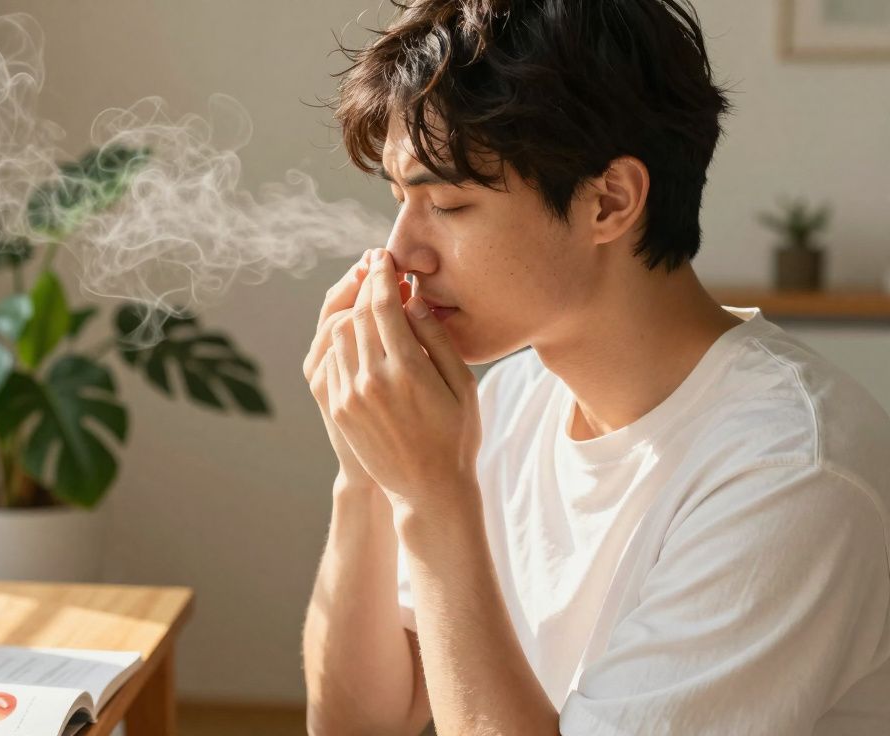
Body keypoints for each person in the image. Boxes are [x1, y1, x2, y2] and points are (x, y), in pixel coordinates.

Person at [300, 1, 890, 734]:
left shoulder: (791, 472)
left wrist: (431, 499)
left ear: (609, 201)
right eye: (400, 201)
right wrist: (368, 472)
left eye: (448, 203)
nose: (401, 253)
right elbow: (360, 727)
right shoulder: (512, 402)